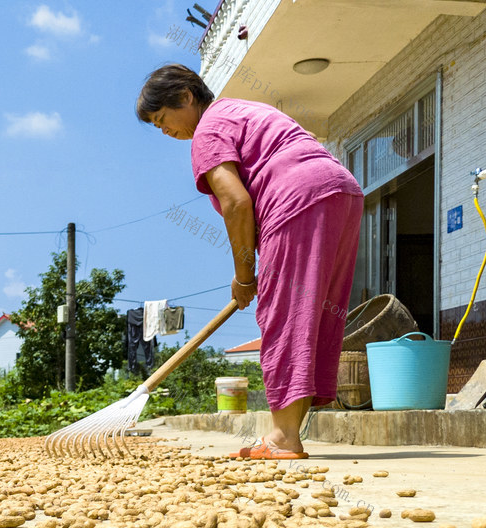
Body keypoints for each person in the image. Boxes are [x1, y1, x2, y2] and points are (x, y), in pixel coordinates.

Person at [137, 64, 364, 460]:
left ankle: (282, 438)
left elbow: (236, 203)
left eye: (162, 119)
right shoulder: (241, 109)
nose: (164, 131)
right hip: (340, 190)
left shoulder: (207, 130)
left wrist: (244, 276)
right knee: (314, 313)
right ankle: (288, 432)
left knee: (286, 312)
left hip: (297, 197)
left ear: (186, 97)